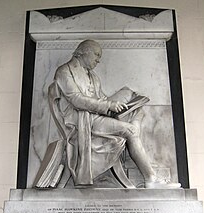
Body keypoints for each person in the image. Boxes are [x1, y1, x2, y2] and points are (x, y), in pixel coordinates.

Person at [46, 39, 180, 188]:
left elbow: (101, 98)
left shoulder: (93, 77)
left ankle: (132, 131)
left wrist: (119, 106)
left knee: (131, 97)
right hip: (83, 121)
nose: (98, 60)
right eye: (96, 55)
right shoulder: (65, 71)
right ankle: (151, 179)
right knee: (131, 130)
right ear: (84, 51)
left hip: (96, 116)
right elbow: (76, 100)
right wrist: (109, 105)